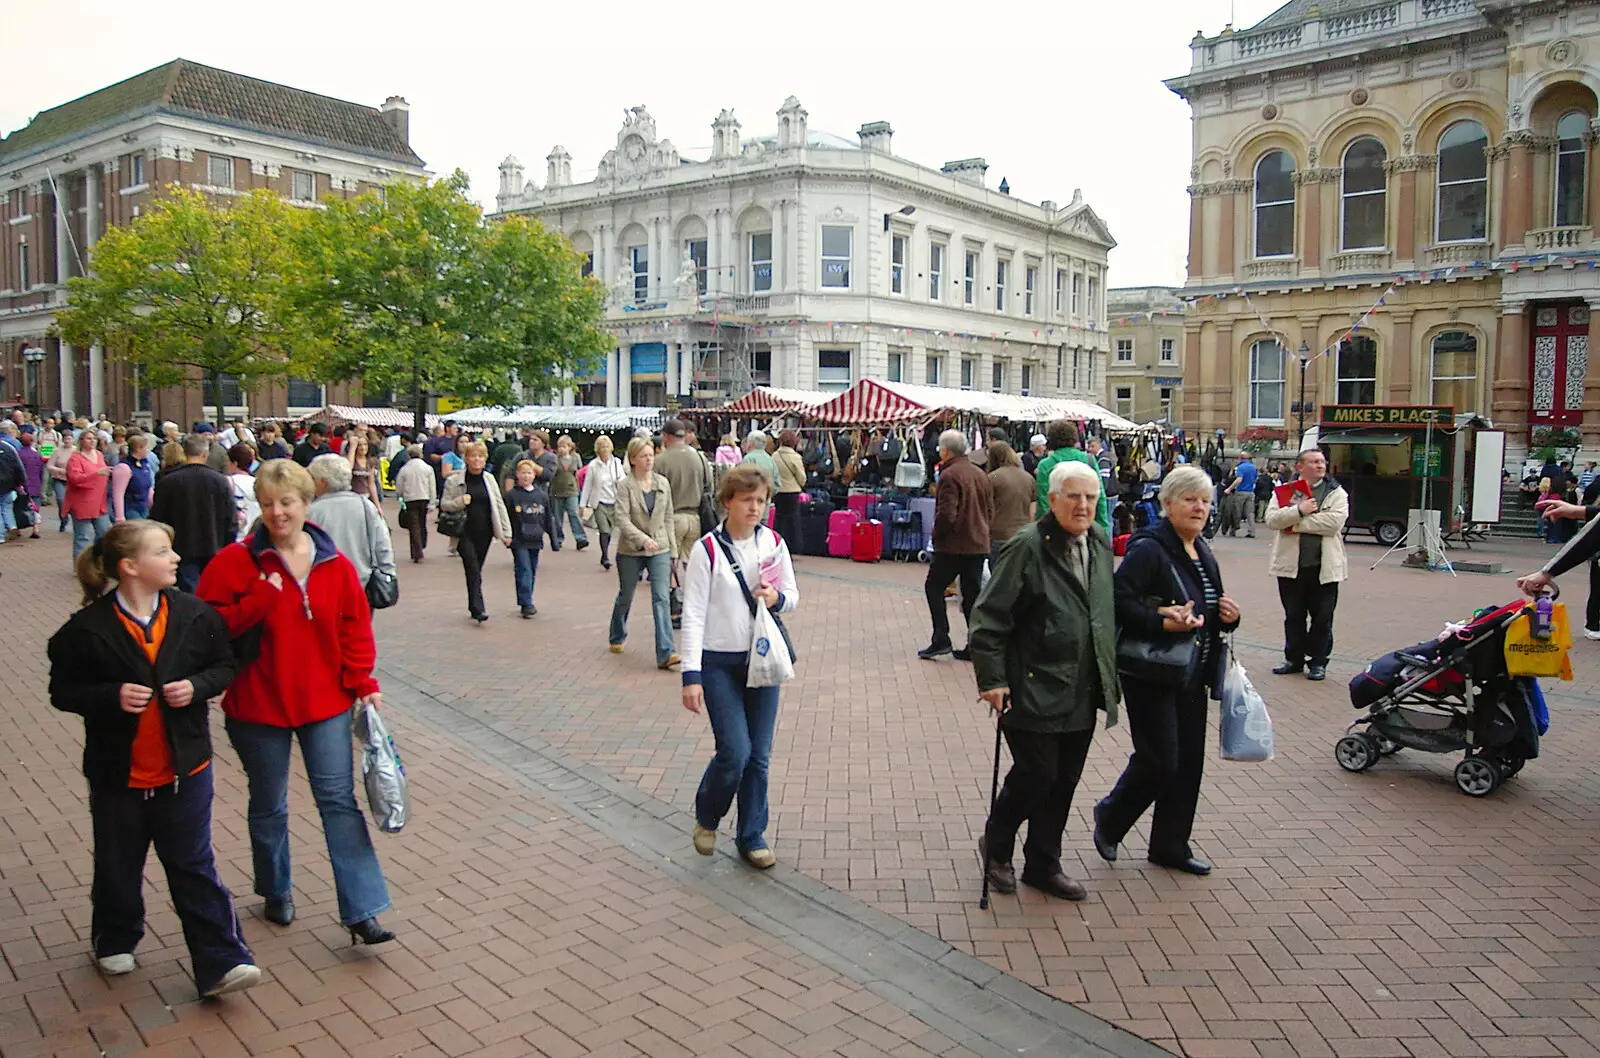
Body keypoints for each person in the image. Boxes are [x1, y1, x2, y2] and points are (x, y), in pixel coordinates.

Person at [48, 519, 262, 997]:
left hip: (186, 768)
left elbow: (223, 664)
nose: (176, 559)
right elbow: (63, 690)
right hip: (117, 773)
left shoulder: (194, 614)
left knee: (192, 863)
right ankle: (115, 936)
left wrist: (199, 687)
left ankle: (222, 962)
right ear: (129, 567)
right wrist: (108, 696)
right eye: (163, 552)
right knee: (119, 860)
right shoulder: (87, 630)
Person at [195, 460, 395, 945]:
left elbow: (354, 628)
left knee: (338, 803)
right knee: (269, 804)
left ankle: (362, 910)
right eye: (267, 504)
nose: (276, 513)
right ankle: (275, 888)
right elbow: (206, 629)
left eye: (286, 503)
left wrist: (362, 680)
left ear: (308, 504)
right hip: (258, 703)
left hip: (323, 700)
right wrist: (260, 601)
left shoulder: (335, 564)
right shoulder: (234, 563)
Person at [969, 461, 1121, 902]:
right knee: (1038, 774)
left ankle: (1043, 862)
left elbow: (1102, 609)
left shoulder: (1099, 542)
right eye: (1072, 496)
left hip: (1082, 684)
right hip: (1032, 682)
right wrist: (992, 678)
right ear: (1051, 499)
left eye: (1091, 497)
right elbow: (989, 616)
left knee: (1065, 779)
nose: (1083, 505)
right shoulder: (1028, 546)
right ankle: (996, 846)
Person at [1095, 466, 1241, 877]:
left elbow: (1207, 608)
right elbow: (1119, 600)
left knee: (1188, 762)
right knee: (1160, 759)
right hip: (1153, 668)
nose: (1199, 508)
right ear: (1167, 504)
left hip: (1193, 670)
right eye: (1189, 499)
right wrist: (1162, 620)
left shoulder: (1202, 548)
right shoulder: (1150, 548)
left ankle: (1170, 845)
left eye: (1205, 501)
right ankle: (1111, 816)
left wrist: (1230, 616)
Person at [679, 463, 799, 869]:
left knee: (759, 756)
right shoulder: (706, 549)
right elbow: (693, 614)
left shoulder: (774, 543)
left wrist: (776, 599)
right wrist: (690, 676)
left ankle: (752, 835)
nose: (754, 508)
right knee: (736, 751)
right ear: (727, 501)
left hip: (761, 660)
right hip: (718, 664)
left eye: (761, 500)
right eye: (746, 500)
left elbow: (793, 595)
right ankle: (708, 816)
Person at [1264, 448, 1349, 681]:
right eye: (1314, 461)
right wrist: (1298, 510)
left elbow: (1334, 523)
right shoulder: (1284, 492)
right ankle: (1293, 659)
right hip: (1291, 568)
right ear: (1300, 467)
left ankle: (1318, 662)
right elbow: (1271, 519)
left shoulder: (1336, 492)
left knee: (1322, 619)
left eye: (1322, 461)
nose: (1320, 465)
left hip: (1324, 569)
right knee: (1293, 616)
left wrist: (1295, 522)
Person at [919, 430, 995, 661]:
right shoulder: (979, 473)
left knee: (934, 587)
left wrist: (937, 535)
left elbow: (947, 514)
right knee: (972, 595)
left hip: (954, 545)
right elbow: (990, 509)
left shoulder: (950, 475)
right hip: (977, 542)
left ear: (945, 451)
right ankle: (975, 643)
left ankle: (941, 637)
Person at [610, 437, 679, 669]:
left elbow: (669, 517)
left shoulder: (663, 483)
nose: (649, 460)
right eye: (643, 456)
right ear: (632, 459)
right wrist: (642, 539)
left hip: (660, 547)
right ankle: (617, 633)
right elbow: (621, 518)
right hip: (631, 549)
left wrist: (672, 549)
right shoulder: (625, 485)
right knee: (626, 595)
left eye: (651, 455)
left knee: (661, 598)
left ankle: (666, 652)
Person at [149, 435, 236, 592]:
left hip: (182, 547)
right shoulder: (220, 481)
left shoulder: (168, 482)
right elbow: (230, 518)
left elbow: (157, 518)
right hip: (214, 545)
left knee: (190, 593)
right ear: (205, 454)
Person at [439, 441, 512, 623]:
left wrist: (506, 532)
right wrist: (459, 502)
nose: (477, 459)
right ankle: (479, 608)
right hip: (463, 531)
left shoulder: (489, 479)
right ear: (466, 459)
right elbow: (444, 504)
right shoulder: (454, 481)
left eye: (480, 456)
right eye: (473, 456)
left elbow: (499, 505)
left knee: (476, 569)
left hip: (485, 531)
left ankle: (473, 604)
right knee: (472, 567)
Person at [307, 454, 396, 599]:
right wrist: (388, 571)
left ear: (323, 482)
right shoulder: (366, 506)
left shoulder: (312, 512)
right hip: (363, 583)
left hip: (325, 587)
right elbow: (382, 543)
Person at [1033, 420, 1110, 532]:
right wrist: (1103, 530)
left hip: (1056, 530)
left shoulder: (1045, 465)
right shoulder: (1089, 460)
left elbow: (1044, 503)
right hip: (1086, 527)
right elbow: (1100, 497)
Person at [656, 418, 708, 575]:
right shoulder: (700, 457)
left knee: (669, 562)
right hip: (695, 518)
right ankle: (689, 594)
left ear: (666, 436)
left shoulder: (660, 461)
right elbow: (709, 487)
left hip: (672, 517)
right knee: (691, 564)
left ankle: (672, 593)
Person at [505, 459, 550, 617]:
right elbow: (506, 516)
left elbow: (548, 517)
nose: (526, 476)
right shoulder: (512, 495)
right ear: (517, 475)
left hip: (536, 538)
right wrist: (506, 534)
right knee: (523, 568)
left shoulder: (542, 496)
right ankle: (526, 602)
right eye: (523, 473)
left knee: (531, 569)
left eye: (529, 473)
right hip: (519, 539)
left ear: (534, 475)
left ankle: (526, 597)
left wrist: (554, 537)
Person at [580, 434, 626, 573]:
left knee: (611, 530)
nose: (604, 449)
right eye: (602, 447)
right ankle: (605, 556)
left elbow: (624, 479)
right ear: (598, 449)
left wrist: (620, 481)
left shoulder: (617, 463)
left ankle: (604, 554)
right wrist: (583, 504)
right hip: (599, 502)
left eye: (606, 446)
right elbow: (587, 485)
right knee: (604, 529)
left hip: (614, 500)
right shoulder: (594, 465)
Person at [66, 431, 113, 560]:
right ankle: (80, 565)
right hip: (82, 502)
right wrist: (96, 473)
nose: (92, 441)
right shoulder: (75, 458)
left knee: (104, 533)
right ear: (81, 441)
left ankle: (98, 561)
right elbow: (75, 478)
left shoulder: (99, 454)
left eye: (94, 439)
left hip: (100, 502)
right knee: (83, 536)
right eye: (88, 439)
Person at [987, 441, 1035, 563]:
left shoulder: (993, 477)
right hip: (1022, 534)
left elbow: (986, 508)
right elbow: (1033, 509)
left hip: (998, 534)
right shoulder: (1028, 477)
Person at [395, 443, 436, 563]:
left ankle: (416, 550)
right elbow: (432, 486)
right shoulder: (428, 468)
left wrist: (400, 495)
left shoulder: (404, 469)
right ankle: (421, 545)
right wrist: (432, 502)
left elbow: (399, 486)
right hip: (424, 497)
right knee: (422, 523)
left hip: (410, 499)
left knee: (413, 525)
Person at [548, 435, 588, 551]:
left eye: (564, 446)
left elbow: (579, 472)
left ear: (570, 447)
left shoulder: (576, 458)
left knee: (573, 513)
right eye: (560, 446)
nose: (561, 449)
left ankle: (580, 538)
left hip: (572, 490)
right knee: (557, 517)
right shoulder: (554, 458)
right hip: (556, 490)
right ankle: (558, 538)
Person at [111, 434, 158, 524]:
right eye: (145, 448)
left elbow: (148, 487)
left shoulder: (145, 464)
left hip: (144, 507)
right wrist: (120, 517)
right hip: (130, 508)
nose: (147, 451)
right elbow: (118, 494)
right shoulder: (123, 467)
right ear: (138, 448)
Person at [772, 430, 806, 553]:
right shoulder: (795, 457)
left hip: (778, 491)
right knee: (793, 519)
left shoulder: (774, 456)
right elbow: (802, 478)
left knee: (779, 518)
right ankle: (794, 546)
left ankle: (777, 543)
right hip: (792, 491)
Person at [17, 425, 46, 539]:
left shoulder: (18, 454)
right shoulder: (37, 455)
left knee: (19, 506)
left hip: (23, 484)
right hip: (35, 483)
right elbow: (41, 471)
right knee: (35, 507)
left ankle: (18, 528)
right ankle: (36, 528)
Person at [226, 444, 259, 541]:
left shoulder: (228, 482)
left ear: (235, 463)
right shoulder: (258, 483)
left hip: (236, 537)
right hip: (255, 535)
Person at [1224, 452, 1259, 539]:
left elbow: (1239, 479)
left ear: (1241, 458)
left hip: (1240, 491)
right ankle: (1252, 531)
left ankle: (1234, 530)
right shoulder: (1254, 468)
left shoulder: (1240, 467)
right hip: (1250, 492)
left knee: (1236, 511)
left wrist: (1229, 488)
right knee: (1250, 513)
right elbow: (1255, 480)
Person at [48, 437, 75, 532]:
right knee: (61, 500)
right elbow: (49, 465)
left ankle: (76, 520)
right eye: (66, 439)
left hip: (72, 480)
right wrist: (59, 470)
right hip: (59, 479)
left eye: (69, 439)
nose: (67, 441)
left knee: (73, 502)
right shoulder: (57, 451)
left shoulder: (76, 451)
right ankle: (63, 519)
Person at [346, 435, 382, 508]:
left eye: (365, 444)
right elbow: (348, 468)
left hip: (367, 498)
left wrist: (377, 505)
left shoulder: (371, 462)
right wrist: (352, 447)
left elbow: (371, 484)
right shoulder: (351, 461)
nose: (363, 448)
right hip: (352, 498)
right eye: (359, 445)